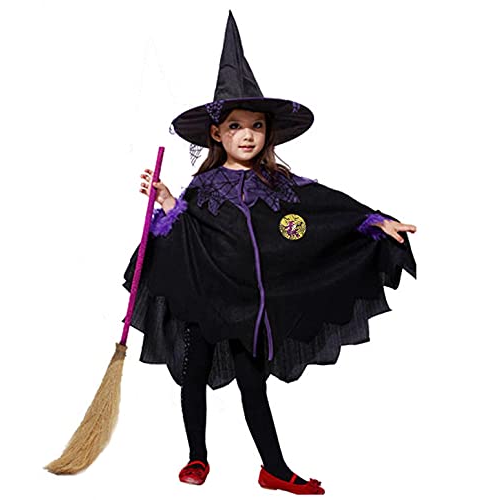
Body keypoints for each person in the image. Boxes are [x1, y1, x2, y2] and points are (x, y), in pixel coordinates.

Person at [122, 11, 417, 496]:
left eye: (256, 126)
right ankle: (197, 456)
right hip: (205, 301)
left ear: (268, 133)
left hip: (251, 309)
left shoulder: (280, 186)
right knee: (193, 376)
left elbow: (329, 210)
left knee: (252, 383)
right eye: (235, 125)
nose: (247, 135)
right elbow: (184, 234)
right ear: (216, 134)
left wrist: (374, 221)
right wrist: (169, 202)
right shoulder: (204, 187)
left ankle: (274, 468)